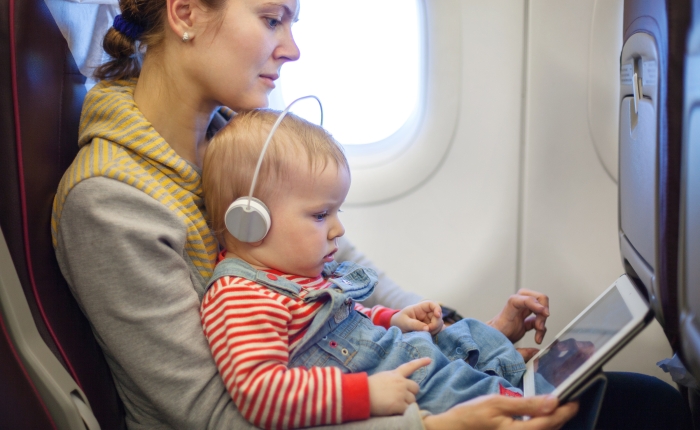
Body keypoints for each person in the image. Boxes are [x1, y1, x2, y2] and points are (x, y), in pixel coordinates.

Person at [50, 0, 616, 428]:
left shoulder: (237, 147)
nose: (292, 48)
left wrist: (460, 342)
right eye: (273, 19)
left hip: (364, 402)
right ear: (186, 13)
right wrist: (436, 424)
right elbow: (211, 415)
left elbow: (351, 282)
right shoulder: (111, 203)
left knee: (613, 395)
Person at [199, 109, 552, 429]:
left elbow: (344, 317)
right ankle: (530, 400)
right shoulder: (240, 297)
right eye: (321, 215)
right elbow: (262, 393)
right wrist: (366, 394)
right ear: (250, 223)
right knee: (473, 390)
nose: (338, 229)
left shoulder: (293, 272)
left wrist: (393, 318)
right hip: (390, 383)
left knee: (468, 334)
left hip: (396, 351)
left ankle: (533, 382)